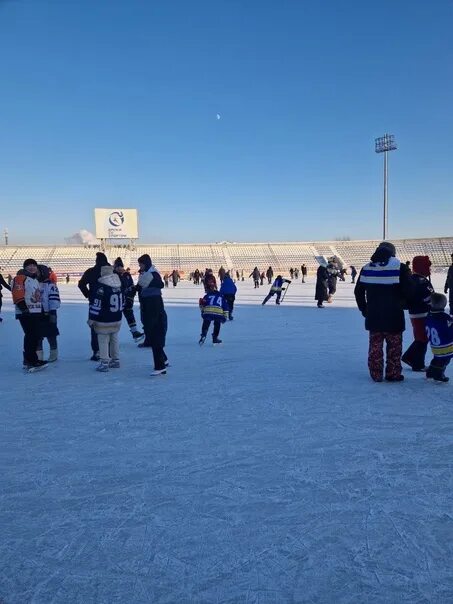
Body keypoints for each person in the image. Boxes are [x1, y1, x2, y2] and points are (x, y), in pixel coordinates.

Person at [354, 241, 413, 382]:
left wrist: (364, 309)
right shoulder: (401, 268)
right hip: (394, 315)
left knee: (375, 347)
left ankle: (376, 374)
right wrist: (405, 304)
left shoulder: (367, 268)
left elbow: (358, 292)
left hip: (374, 315)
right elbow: (410, 290)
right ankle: (393, 373)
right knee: (394, 347)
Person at [12, 258, 48, 372]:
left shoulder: (34, 280)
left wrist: (41, 311)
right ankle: (30, 360)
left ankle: (32, 359)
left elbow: (37, 297)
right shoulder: (20, 278)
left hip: (35, 312)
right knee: (31, 336)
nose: (32, 267)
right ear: (24, 267)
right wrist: (23, 308)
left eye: (34, 265)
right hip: (26, 312)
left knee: (36, 336)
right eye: (29, 265)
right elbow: (17, 293)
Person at [137, 254, 169, 376]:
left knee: (155, 335)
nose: (140, 266)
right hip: (151, 306)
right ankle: (163, 361)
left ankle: (160, 366)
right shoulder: (148, 273)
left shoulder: (152, 274)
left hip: (153, 306)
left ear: (146, 263)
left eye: (141, 264)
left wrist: (139, 287)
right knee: (153, 335)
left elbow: (158, 284)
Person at [88, 264, 124, 372]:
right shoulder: (118, 286)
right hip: (117, 317)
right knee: (114, 338)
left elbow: (96, 304)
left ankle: (104, 362)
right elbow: (123, 302)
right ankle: (115, 360)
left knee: (103, 340)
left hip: (104, 319)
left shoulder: (101, 287)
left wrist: (92, 318)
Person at [401, 256, 434, 372]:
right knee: (422, 339)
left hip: (418, 313)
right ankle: (417, 363)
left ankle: (410, 358)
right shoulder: (419, 281)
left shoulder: (414, 279)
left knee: (421, 338)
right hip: (421, 313)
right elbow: (425, 297)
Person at [78, 252, 110, 361]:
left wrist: (88, 294)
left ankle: (97, 351)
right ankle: (107, 350)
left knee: (95, 327)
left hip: (94, 303)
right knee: (108, 326)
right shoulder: (111, 271)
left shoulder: (90, 271)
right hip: (109, 303)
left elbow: (81, 284)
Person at [113, 257, 144, 342]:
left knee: (129, 314)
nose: (120, 268)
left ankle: (134, 332)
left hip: (126, 300)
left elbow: (132, 287)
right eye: (118, 266)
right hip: (116, 301)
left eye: (121, 266)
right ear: (115, 267)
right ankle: (111, 336)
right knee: (114, 318)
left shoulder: (127, 275)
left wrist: (130, 298)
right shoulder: (113, 275)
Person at [425, 293, 453, 382]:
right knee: (444, 361)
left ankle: (430, 372)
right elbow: (450, 331)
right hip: (446, 346)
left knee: (437, 358)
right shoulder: (444, 318)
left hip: (435, 346)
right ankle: (438, 374)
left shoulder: (428, 316)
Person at [36, 264, 61, 363]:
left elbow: (54, 300)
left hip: (48, 313)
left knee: (51, 335)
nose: (36, 273)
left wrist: (53, 312)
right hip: (36, 314)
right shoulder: (34, 283)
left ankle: (53, 354)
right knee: (37, 336)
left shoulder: (51, 285)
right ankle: (39, 356)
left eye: (38, 271)